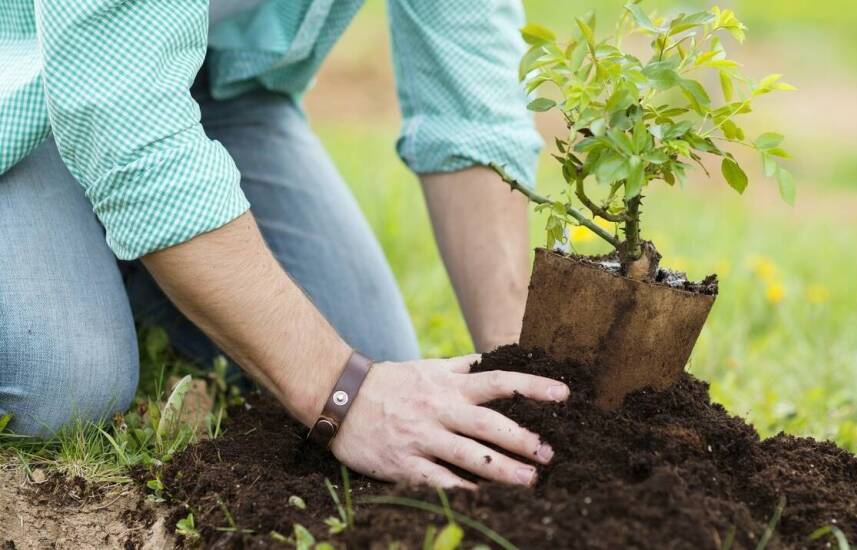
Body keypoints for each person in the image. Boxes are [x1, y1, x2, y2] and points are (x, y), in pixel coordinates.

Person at [0, 1, 570, 489]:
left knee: (374, 355)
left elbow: (471, 96)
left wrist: (519, 379)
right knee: (64, 385)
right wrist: (341, 395)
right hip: (27, 68)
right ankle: (112, 229)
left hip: (218, 84)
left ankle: (125, 241)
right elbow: (122, 110)